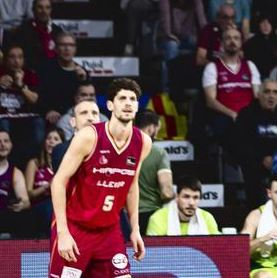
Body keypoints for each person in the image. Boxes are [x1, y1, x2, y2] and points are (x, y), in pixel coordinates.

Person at [49, 78, 151, 278]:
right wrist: (62, 233)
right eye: (122, 98)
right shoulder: (89, 137)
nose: (128, 103)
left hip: (109, 231)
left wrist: (135, 229)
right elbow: (58, 182)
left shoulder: (143, 142)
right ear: (111, 105)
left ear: (138, 106)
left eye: (132, 99)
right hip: (76, 227)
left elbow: (131, 187)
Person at [232, 80, 277, 194]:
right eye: (267, 92)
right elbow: (241, 143)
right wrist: (262, 158)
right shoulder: (246, 114)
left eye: (275, 92)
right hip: (256, 162)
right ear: (258, 94)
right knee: (250, 168)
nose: (271, 96)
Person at [134, 110, 174, 231]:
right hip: (151, 215)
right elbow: (166, 192)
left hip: (124, 216)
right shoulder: (159, 153)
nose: (157, 134)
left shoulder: (121, 150)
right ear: (151, 128)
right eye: (158, 129)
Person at [146, 175, 220, 235]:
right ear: (177, 197)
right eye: (186, 197)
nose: (191, 203)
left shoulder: (207, 218)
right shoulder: (158, 218)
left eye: (195, 197)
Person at [25, 127, 62, 229]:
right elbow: (29, 194)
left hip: (60, 209)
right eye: (48, 138)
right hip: (39, 208)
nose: (51, 142)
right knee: (50, 206)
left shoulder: (65, 166)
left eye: (56, 139)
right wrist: (48, 186)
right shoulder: (34, 163)